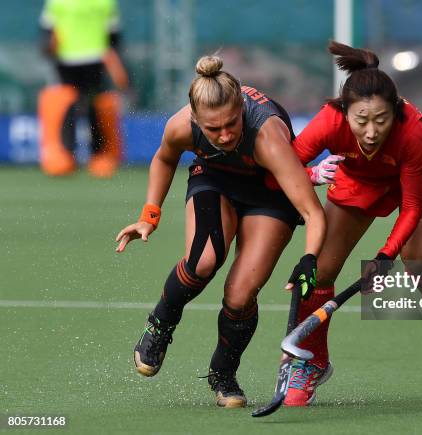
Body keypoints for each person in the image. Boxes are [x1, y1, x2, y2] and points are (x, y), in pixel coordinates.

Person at [115, 54, 326, 408]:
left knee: (240, 295)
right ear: (196, 119)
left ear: (242, 109)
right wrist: (149, 216)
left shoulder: (267, 137)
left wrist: (309, 257)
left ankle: (223, 373)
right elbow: (164, 158)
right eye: (214, 129)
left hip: (269, 192)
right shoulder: (182, 125)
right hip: (215, 180)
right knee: (203, 261)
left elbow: (312, 211)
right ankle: (160, 326)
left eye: (232, 124)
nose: (225, 135)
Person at [283, 41, 422, 407]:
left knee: (416, 259)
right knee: (323, 271)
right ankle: (313, 362)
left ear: (395, 113)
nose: (370, 132)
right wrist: (313, 172)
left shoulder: (410, 133)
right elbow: (285, 167)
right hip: (362, 175)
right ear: (343, 112)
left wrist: (384, 256)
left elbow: (411, 207)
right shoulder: (328, 122)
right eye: (361, 121)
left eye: (381, 120)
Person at [38, 0, 129, 178]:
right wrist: (48, 46)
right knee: (65, 106)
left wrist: (114, 60)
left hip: (95, 59)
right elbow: (48, 31)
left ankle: (101, 155)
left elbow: (113, 34)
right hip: (66, 59)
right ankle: (63, 154)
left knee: (96, 107)